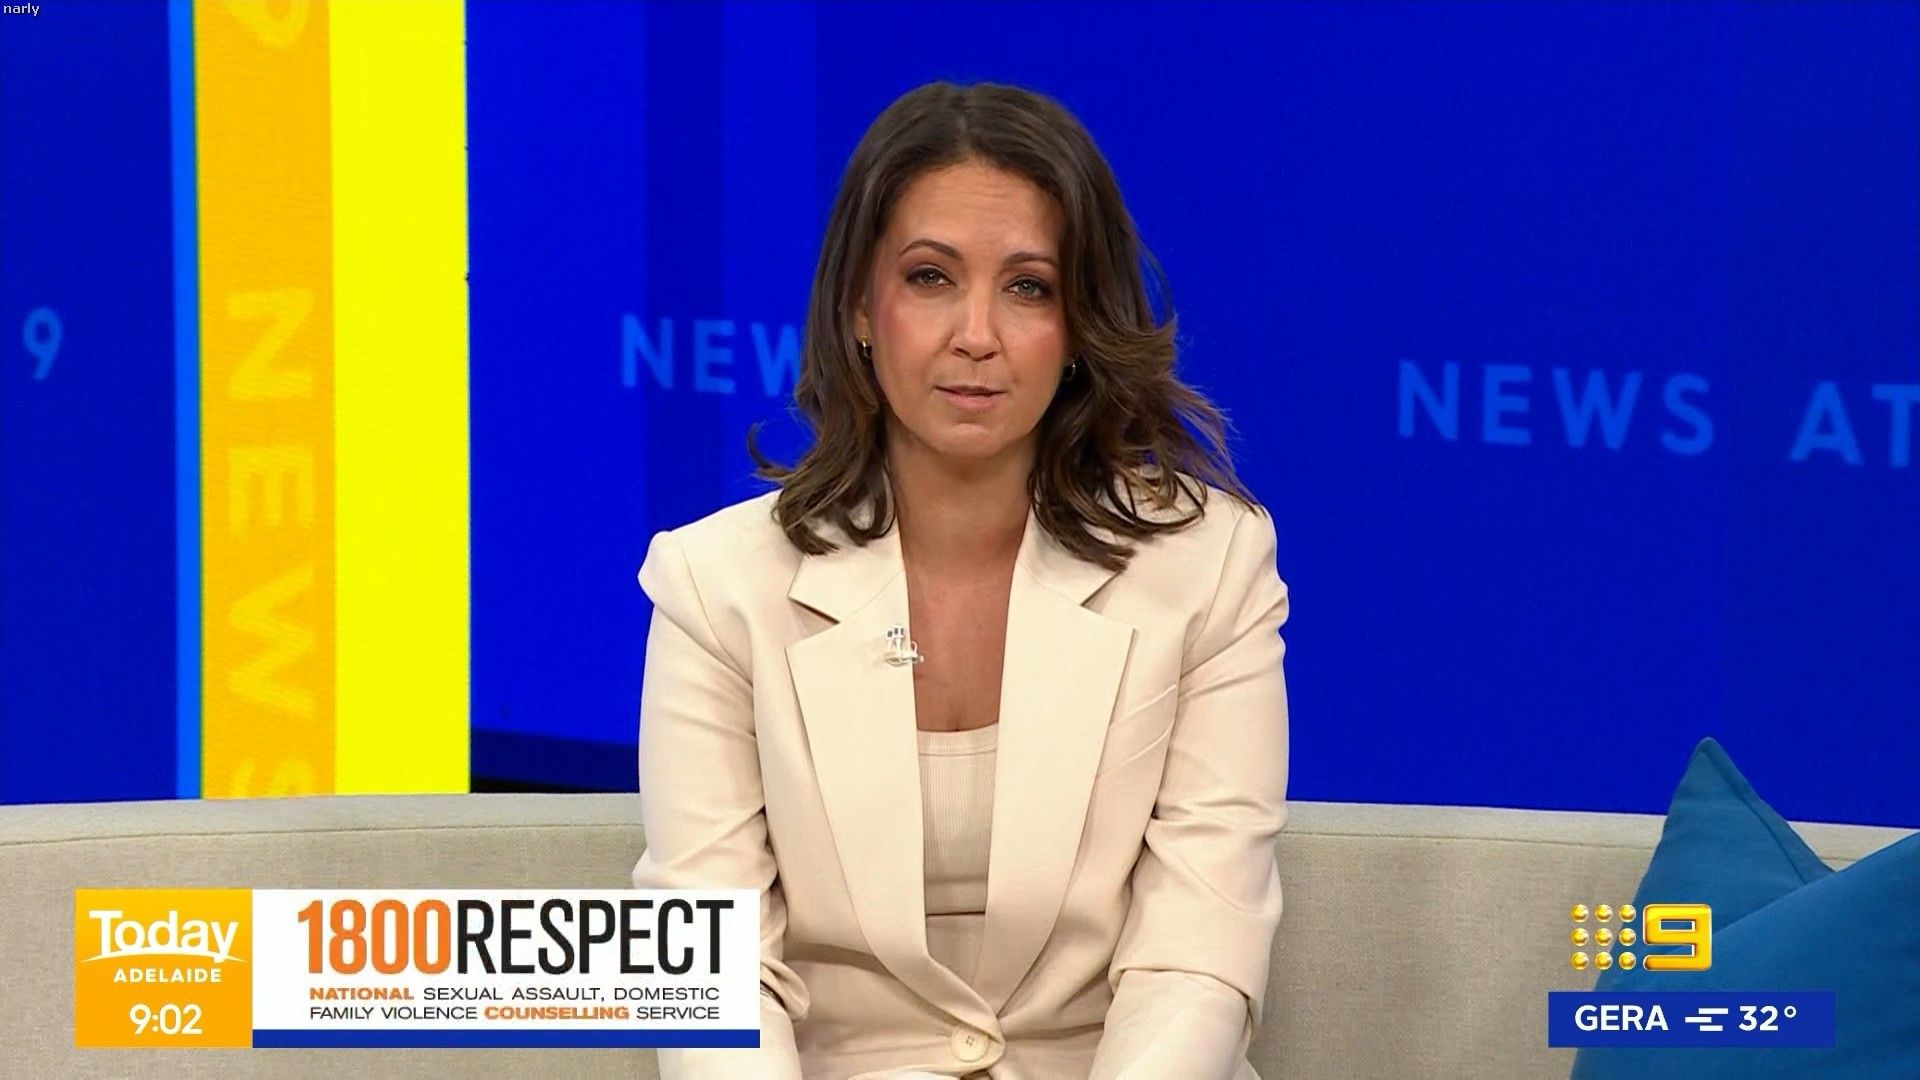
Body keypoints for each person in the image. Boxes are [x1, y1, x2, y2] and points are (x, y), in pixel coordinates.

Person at [632, 80, 1291, 1080]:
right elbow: (716, 979)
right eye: (931, 277)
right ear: (860, 308)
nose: (976, 334)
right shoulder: (718, 589)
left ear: (1078, 327)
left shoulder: (1209, 569)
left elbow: (1195, 960)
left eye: (1028, 288)